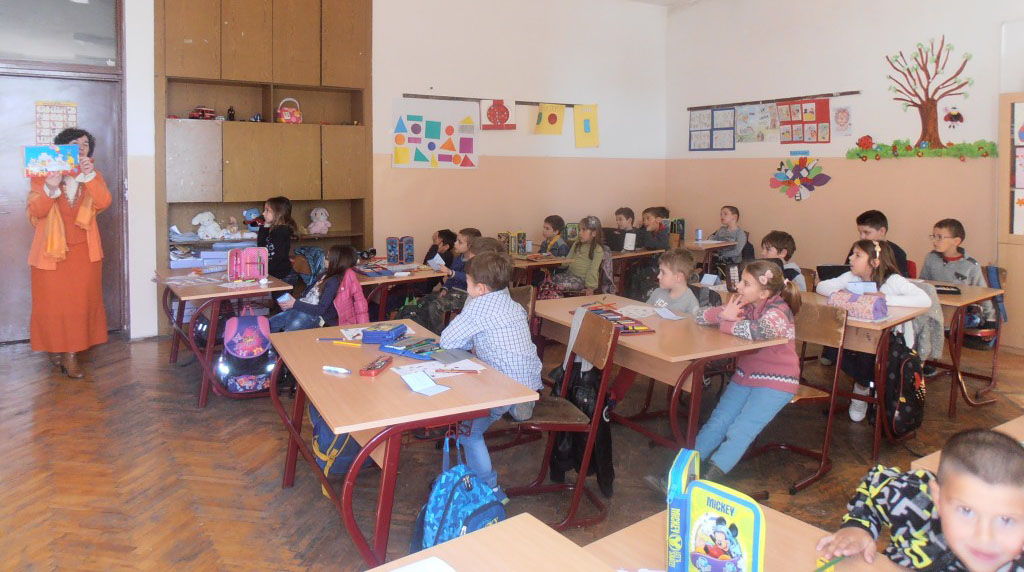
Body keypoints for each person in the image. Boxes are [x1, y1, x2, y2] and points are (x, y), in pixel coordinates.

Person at [816, 428, 1024, 571]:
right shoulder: (916, 499)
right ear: (938, 497)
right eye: (966, 511)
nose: (984, 537)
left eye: (1006, 520)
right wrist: (858, 527)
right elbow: (875, 484)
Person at [439, 251, 543, 503]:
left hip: (505, 387)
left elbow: (447, 341)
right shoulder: (509, 301)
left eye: (468, 282)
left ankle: (490, 489)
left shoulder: (479, 307)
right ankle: (518, 406)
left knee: (468, 432)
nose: (466, 286)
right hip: (528, 381)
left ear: (481, 289)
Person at [690, 260, 802, 480]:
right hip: (745, 376)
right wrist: (723, 314)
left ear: (764, 293)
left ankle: (705, 480)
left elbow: (760, 331)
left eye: (746, 283)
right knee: (718, 422)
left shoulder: (780, 310)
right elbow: (699, 315)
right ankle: (683, 471)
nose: (739, 286)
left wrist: (726, 323)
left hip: (778, 381)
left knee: (741, 429)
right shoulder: (745, 304)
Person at [27, 127, 112, 379]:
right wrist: (50, 186)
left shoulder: (92, 175)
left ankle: (71, 356)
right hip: (49, 254)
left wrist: (90, 176)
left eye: (85, 144)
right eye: (75, 143)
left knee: (79, 305)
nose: (81, 147)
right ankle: (54, 348)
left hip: (84, 254)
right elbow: (36, 211)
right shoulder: (42, 173)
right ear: (62, 147)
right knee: (52, 306)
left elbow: (104, 202)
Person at [816, 240, 931, 422]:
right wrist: (842, 293)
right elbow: (822, 286)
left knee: (867, 356)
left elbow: (924, 300)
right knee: (831, 347)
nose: (850, 258)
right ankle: (863, 386)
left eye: (857, 255)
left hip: (889, 340)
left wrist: (884, 298)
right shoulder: (852, 277)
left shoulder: (893, 280)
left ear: (875, 262)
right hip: (856, 334)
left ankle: (864, 389)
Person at [609, 249, 700, 404]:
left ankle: (612, 398)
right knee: (620, 351)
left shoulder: (690, 303)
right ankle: (606, 394)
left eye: (663, 272)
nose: (658, 276)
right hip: (649, 342)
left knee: (634, 358)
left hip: (670, 351)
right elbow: (645, 314)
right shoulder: (658, 292)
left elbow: (692, 336)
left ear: (678, 277)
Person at [270, 245, 367, 331]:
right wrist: (292, 303)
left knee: (291, 329)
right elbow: (307, 296)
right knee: (271, 323)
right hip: (305, 309)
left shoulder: (333, 282)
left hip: (316, 316)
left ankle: (283, 344)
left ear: (337, 262)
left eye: (327, 258)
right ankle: (271, 345)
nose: (324, 260)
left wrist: (295, 304)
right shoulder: (323, 275)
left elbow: (320, 310)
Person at [920, 218, 995, 328]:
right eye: (933, 236)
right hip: (935, 310)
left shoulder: (970, 265)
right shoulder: (931, 258)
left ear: (956, 241)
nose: (934, 241)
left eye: (939, 237)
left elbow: (983, 293)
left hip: (960, 314)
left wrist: (990, 319)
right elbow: (923, 285)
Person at [554, 215, 604, 294]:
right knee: (549, 281)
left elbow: (593, 270)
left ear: (594, 233)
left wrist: (590, 288)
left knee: (557, 286)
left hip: (582, 280)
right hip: (569, 275)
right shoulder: (577, 244)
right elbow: (567, 261)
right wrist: (555, 259)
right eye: (579, 229)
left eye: (584, 230)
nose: (580, 233)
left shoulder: (598, 249)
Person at [258, 196, 300, 285]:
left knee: (281, 295)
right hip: (274, 274)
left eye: (267, 210)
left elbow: (278, 256)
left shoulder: (281, 231)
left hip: (284, 276)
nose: (263, 213)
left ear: (279, 213)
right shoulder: (273, 229)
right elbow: (261, 247)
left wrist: (266, 272)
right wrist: (265, 225)